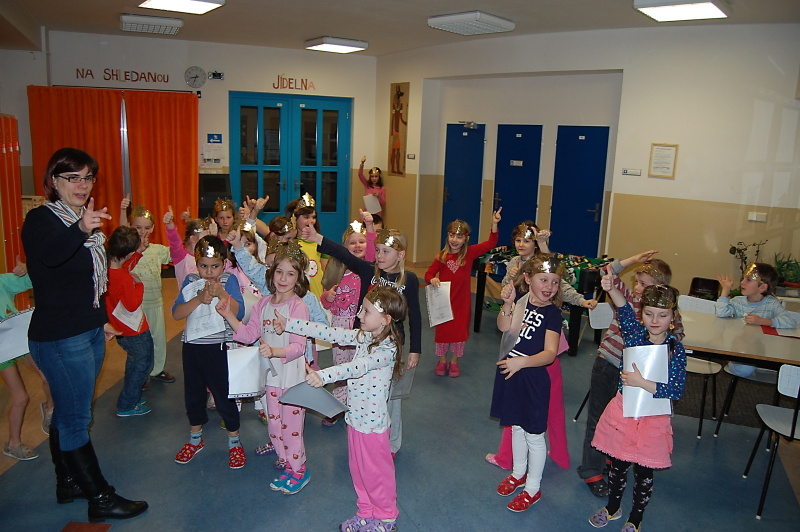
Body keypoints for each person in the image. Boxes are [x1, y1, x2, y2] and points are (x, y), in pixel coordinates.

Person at [22, 147, 147, 522]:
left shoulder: (84, 222)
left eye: (88, 177)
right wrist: (80, 229)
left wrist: (100, 320)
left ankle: (68, 483)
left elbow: (88, 284)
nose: (82, 184)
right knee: (76, 418)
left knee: (68, 412)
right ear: (53, 181)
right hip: (60, 338)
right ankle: (100, 498)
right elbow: (51, 256)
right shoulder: (42, 220)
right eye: (72, 177)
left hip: (86, 330)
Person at [275, 285, 407, 532]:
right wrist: (290, 324)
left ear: (385, 320)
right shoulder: (365, 336)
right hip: (355, 421)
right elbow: (329, 332)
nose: (359, 315)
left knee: (376, 474)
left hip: (372, 428)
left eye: (366, 311)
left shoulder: (387, 350)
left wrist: (323, 375)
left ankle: (386, 518)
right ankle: (365, 512)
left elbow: (358, 367)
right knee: (358, 471)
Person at [304, 224, 422, 457]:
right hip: (364, 341)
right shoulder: (369, 271)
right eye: (377, 250)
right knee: (362, 388)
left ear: (401, 255)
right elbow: (344, 254)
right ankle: (363, 430)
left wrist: (415, 349)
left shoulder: (408, 279)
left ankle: (392, 443)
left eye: (385, 251)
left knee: (390, 397)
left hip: (391, 347)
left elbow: (415, 315)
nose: (379, 256)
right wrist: (318, 238)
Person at [576, 253, 683, 498]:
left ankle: (613, 457)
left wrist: (668, 343)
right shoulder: (632, 301)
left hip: (638, 379)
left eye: (644, 284)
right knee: (599, 418)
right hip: (609, 364)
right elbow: (608, 275)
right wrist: (634, 260)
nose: (638, 288)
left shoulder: (664, 315)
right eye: (637, 282)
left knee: (624, 421)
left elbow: (676, 339)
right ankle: (592, 470)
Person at [589, 273, 686, 532]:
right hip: (625, 412)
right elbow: (623, 309)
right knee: (618, 466)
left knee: (644, 473)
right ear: (641, 313)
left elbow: (676, 390)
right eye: (649, 313)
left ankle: (636, 517)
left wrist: (642, 382)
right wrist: (612, 289)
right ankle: (613, 508)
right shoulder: (633, 335)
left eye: (662, 315)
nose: (655, 320)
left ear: (673, 317)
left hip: (652, 419)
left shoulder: (675, 350)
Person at [218, 243, 311, 493]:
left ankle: (299, 469)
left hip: (292, 381)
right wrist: (229, 316)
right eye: (279, 271)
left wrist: (274, 351)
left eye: (290, 274)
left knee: (292, 430)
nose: (283, 278)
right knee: (275, 426)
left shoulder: (298, 307)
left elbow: (298, 347)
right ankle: (287, 463)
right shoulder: (263, 304)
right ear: (271, 272)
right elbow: (249, 335)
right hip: (271, 379)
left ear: (299, 277)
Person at [490, 255, 564, 512]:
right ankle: (518, 473)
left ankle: (533, 487)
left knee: (534, 435)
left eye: (555, 282)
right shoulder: (521, 301)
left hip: (532, 378)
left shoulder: (553, 313)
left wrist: (522, 362)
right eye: (544, 280)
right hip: (513, 374)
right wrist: (507, 304)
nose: (549, 287)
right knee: (517, 428)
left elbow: (550, 354)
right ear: (528, 278)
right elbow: (503, 327)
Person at [172, 235, 245, 469]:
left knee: (224, 395)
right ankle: (195, 438)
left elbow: (240, 312)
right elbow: (176, 313)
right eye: (203, 266)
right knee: (193, 394)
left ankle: (234, 440)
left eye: (215, 266)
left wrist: (221, 294)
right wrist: (198, 299)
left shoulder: (229, 280)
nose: (209, 272)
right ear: (196, 264)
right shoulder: (191, 281)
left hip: (219, 348)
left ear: (224, 264)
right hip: (192, 347)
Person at [426, 209, 501, 377]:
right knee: (443, 332)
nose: (455, 240)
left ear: (466, 239)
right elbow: (428, 274)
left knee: (459, 333)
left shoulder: (469, 253)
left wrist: (494, 224)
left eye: (459, 237)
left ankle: (454, 361)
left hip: (461, 303)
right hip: (444, 302)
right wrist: (432, 279)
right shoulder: (442, 257)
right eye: (452, 235)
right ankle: (442, 360)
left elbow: (490, 243)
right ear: (447, 236)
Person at [319, 217, 374, 424]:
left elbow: (372, 250)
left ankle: (359, 405)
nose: (357, 245)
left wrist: (370, 226)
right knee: (341, 368)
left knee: (361, 368)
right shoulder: (337, 271)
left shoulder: (369, 269)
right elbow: (325, 301)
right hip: (341, 327)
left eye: (362, 241)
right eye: (352, 242)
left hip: (363, 327)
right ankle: (338, 406)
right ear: (344, 247)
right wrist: (327, 296)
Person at [0, 256, 54, 460]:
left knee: (49, 376)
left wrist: (26, 268)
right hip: (2, 351)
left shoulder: (2, 282)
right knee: (21, 397)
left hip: (16, 340)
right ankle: (13, 444)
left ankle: (49, 408)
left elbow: (35, 279)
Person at [119, 200, 175, 385]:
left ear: (152, 229)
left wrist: (171, 225)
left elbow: (177, 253)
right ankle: (140, 374)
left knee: (158, 338)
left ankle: (156, 369)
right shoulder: (127, 252)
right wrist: (122, 210)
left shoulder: (157, 250)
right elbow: (120, 234)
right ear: (130, 227)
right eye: (137, 227)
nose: (142, 231)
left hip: (155, 302)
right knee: (138, 343)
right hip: (136, 306)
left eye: (147, 227)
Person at [716, 262, 797, 378]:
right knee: (743, 369)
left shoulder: (772, 304)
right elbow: (721, 312)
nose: (742, 282)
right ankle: (736, 361)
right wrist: (725, 291)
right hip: (741, 348)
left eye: (748, 280)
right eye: (743, 278)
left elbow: (790, 321)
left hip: (763, 350)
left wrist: (763, 321)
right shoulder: (738, 301)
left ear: (762, 287)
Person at [105, 226, 154, 417]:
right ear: (128, 254)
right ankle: (127, 404)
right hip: (135, 330)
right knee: (142, 365)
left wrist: (138, 253)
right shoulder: (124, 278)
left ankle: (130, 397)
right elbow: (133, 304)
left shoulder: (106, 270)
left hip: (120, 329)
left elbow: (126, 265)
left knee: (134, 363)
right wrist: (139, 284)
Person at [164, 205, 208, 288]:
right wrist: (170, 224)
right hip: (187, 296)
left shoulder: (207, 255)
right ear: (193, 239)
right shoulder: (181, 257)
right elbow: (174, 241)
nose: (208, 242)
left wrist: (189, 220)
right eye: (205, 239)